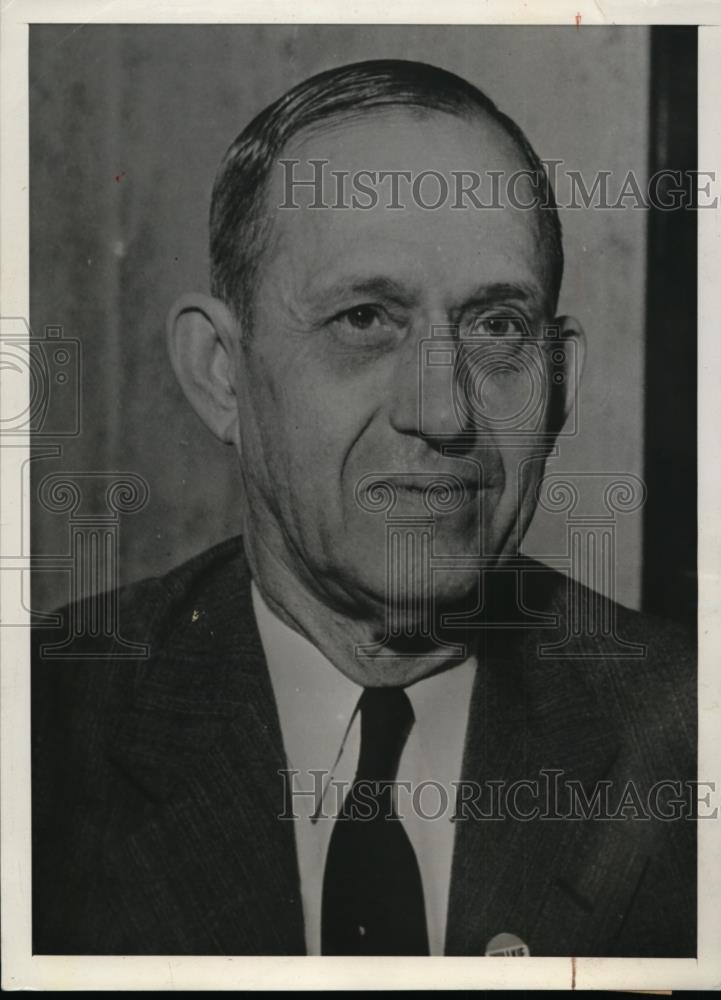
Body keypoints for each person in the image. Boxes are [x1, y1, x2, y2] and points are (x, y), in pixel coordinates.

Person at [32, 59, 696, 958]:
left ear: (558, 384)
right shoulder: (40, 736)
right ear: (222, 375)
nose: (441, 413)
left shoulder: (692, 736)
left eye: (496, 327)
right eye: (364, 320)